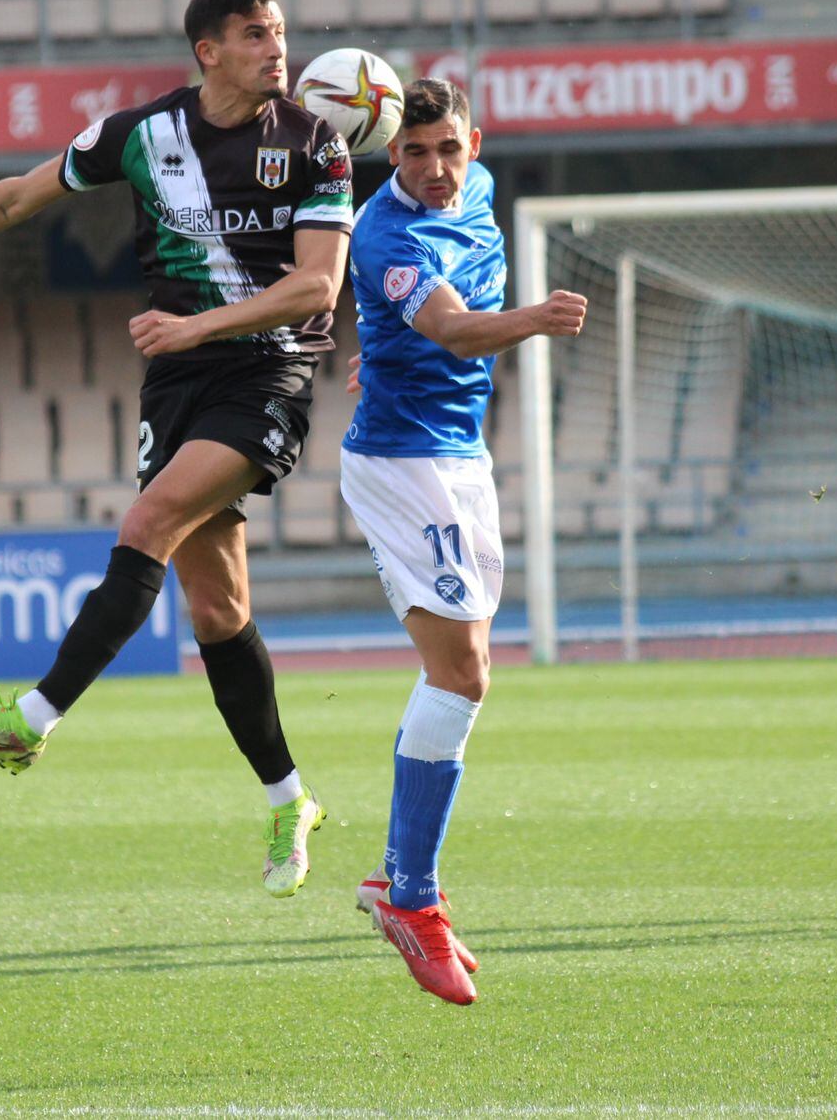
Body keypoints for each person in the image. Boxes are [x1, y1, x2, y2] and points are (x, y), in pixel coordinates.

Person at [0, 0, 354, 899]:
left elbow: (317, 289)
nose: (277, 49)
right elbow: (14, 200)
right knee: (217, 611)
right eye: (255, 35)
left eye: (279, 31)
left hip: (267, 372)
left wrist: (198, 326)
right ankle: (291, 798)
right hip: (176, 383)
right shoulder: (140, 136)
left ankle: (33, 717)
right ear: (208, 51)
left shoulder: (315, 141)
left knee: (147, 522)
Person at [340, 78, 586, 1004]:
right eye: (414, 153)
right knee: (465, 673)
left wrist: (379, 344)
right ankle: (412, 897)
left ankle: (397, 876)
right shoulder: (387, 233)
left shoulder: (472, 193)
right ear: (389, 157)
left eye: (448, 148)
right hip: (403, 463)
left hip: (459, 455)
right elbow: (450, 329)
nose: (437, 170)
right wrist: (537, 320)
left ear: (473, 142)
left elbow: (415, 327)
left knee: (461, 670)